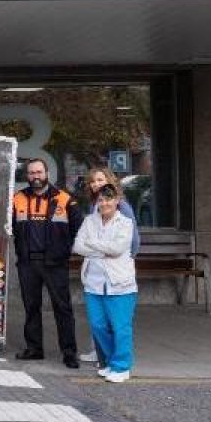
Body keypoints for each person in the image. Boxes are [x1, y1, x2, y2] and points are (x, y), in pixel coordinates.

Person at [13, 158, 84, 368]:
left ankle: (69, 352)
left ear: (47, 173)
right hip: (28, 262)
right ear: (27, 175)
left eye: (39, 172)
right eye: (32, 172)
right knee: (31, 307)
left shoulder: (65, 199)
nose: (36, 176)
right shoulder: (17, 199)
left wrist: (64, 251)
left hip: (54, 263)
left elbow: (78, 230)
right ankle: (34, 349)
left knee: (62, 308)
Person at [72, 184, 138, 383]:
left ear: (117, 200)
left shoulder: (125, 223)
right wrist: (103, 250)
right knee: (98, 326)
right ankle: (109, 362)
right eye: (101, 200)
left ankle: (122, 366)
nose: (105, 203)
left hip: (119, 284)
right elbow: (77, 246)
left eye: (109, 199)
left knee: (120, 327)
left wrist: (92, 245)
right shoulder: (89, 221)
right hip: (94, 283)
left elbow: (118, 249)